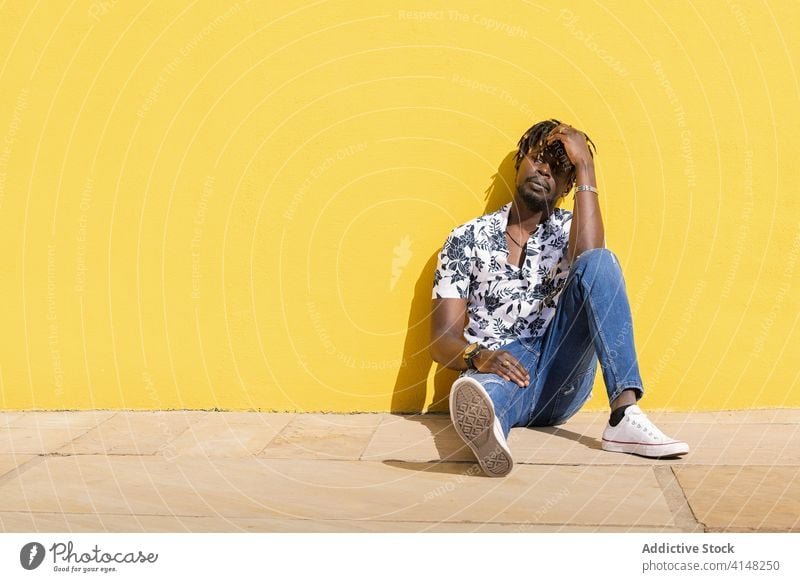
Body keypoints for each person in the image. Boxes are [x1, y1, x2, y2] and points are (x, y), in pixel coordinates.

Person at [430, 119, 689, 477]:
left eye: (559, 170)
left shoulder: (571, 232)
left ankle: (623, 414)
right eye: (537, 159)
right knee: (487, 391)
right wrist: (480, 356)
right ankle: (491, 432)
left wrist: (586, 166)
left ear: (569, 186)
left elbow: (590, 257)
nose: (544, 171)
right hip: (498, 372)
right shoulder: (466, 238)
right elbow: (442, 340)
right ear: (520, 161)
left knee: (601, 261)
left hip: (559, 377)